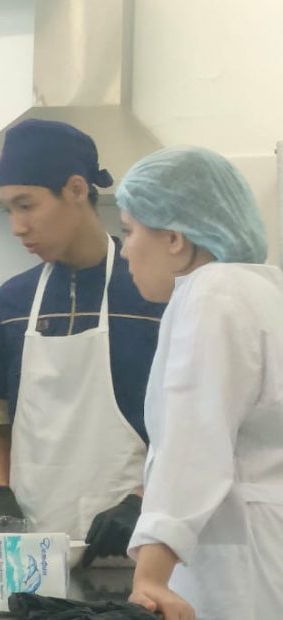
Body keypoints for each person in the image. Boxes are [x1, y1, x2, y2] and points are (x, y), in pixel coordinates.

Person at [0, 119, 164, 565]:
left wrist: (142, 502)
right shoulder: (10, 303)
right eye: (8, 210)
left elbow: (187, 434)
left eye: (26, 205)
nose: (17, 226)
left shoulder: (150, 293)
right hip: (32, 558)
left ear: (76, 189)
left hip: (139, 552)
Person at [118, 146, 283, 620]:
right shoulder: (263, 289)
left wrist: (151, 574)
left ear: (174, 238)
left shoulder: (211, 293)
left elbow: (193, 444)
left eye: (129, 230)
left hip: (238, 574)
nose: (124, 249)